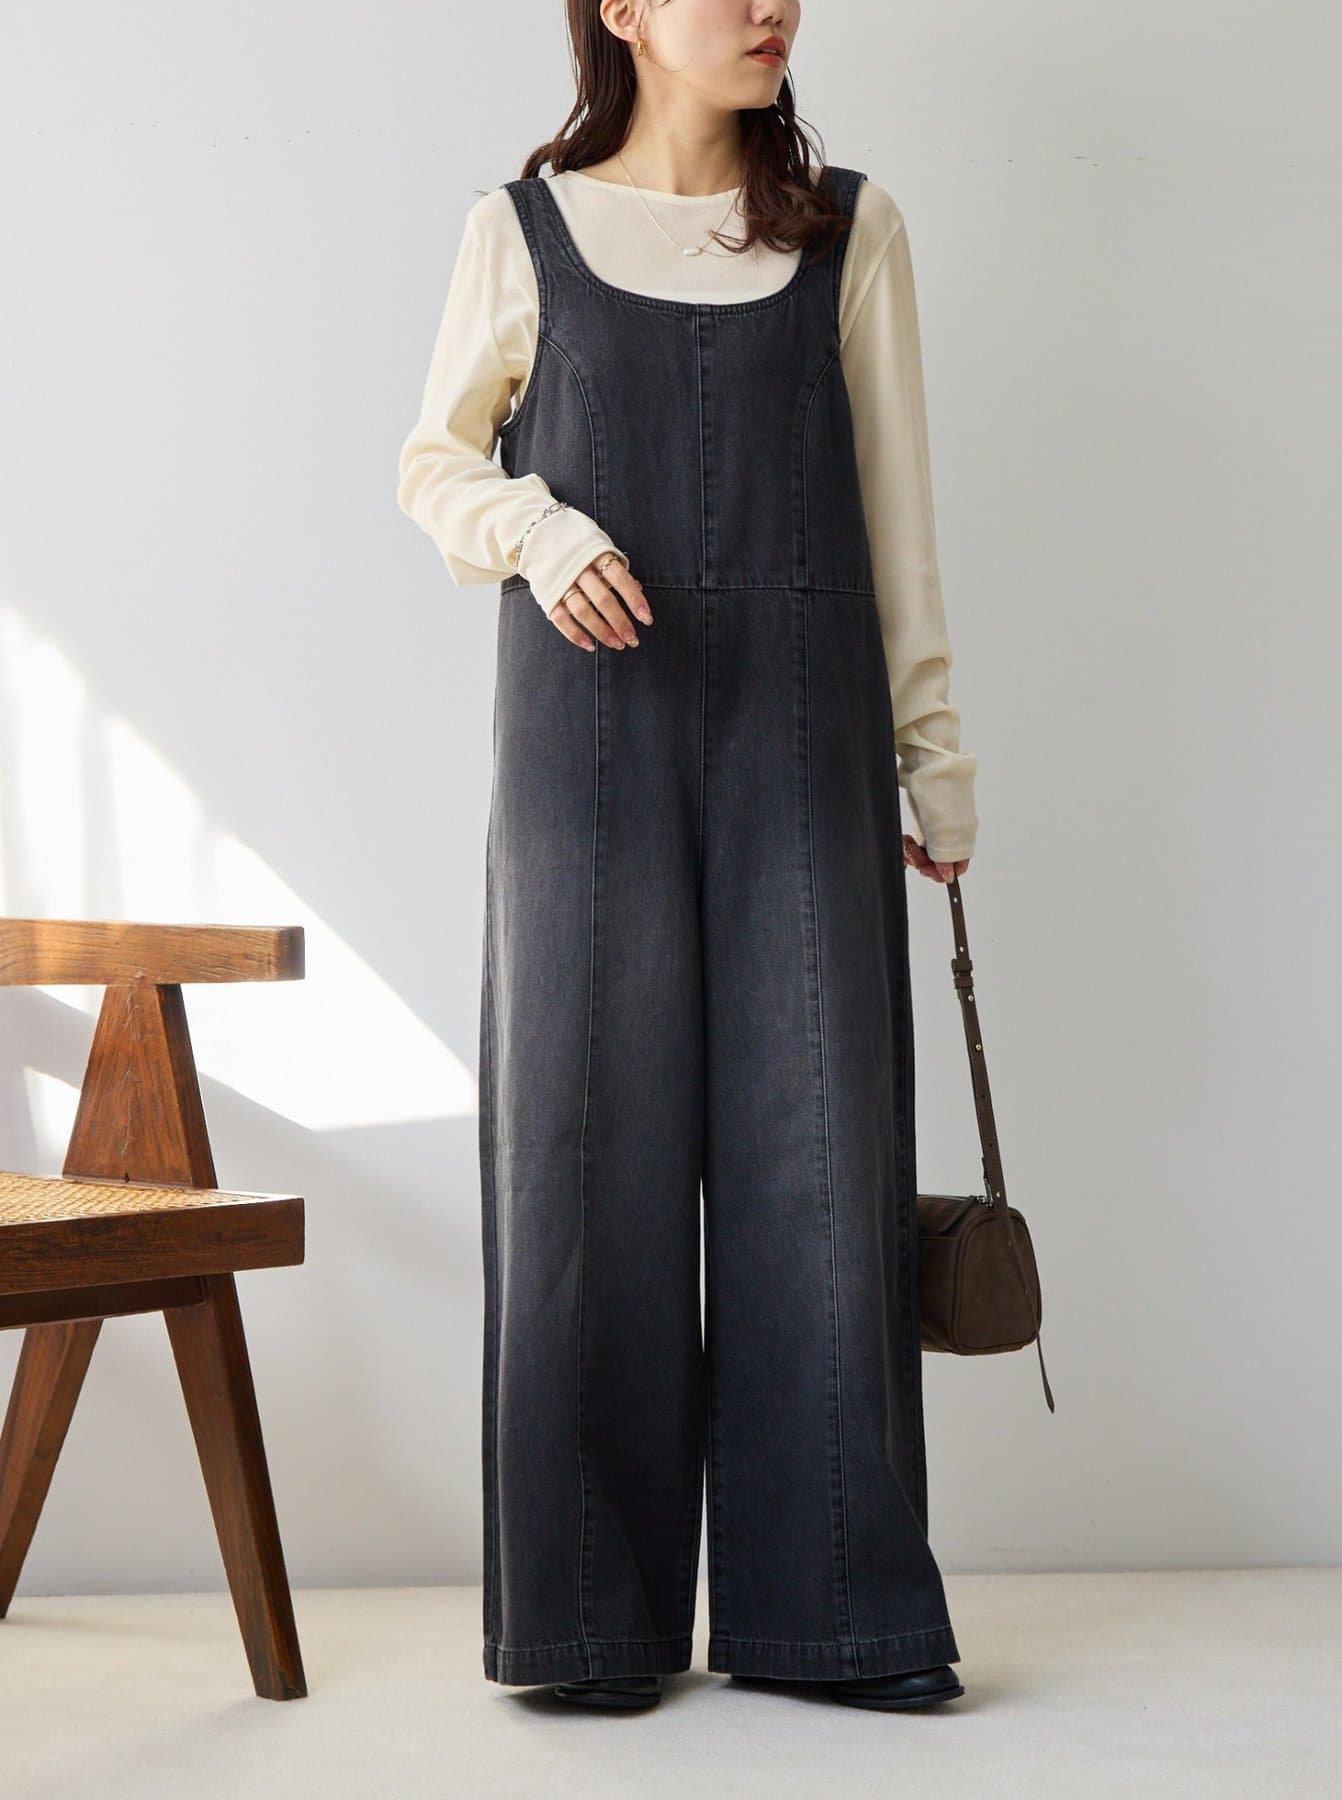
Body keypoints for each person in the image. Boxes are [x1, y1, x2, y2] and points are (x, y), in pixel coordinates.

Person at [396, 0, 978, 1714]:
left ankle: (838, 1617)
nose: (770, 5)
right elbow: (432, 463)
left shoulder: (852, 230)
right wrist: (537, 527)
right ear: (624, 12)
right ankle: (588, 1623)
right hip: (586, 749)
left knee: (822, 1159)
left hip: (806, 743)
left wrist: (936, 757)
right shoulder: (519, 231)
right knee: (584, 1155)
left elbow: (901, 521)